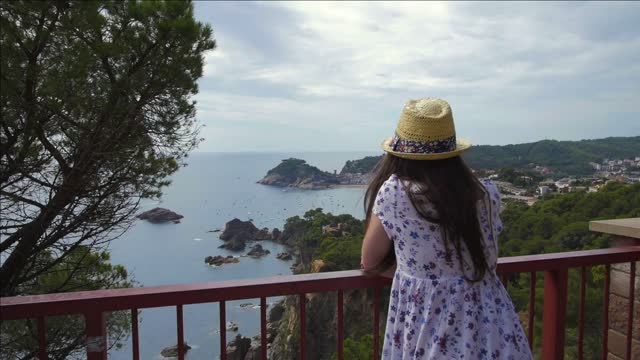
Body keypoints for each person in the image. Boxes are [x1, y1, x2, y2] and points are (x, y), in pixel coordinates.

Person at [361, 98, 533, 359]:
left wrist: (416, 274)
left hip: (429, 323)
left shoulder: (395, 194)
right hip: (493, 325)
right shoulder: (487, 193)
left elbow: (370, 261)